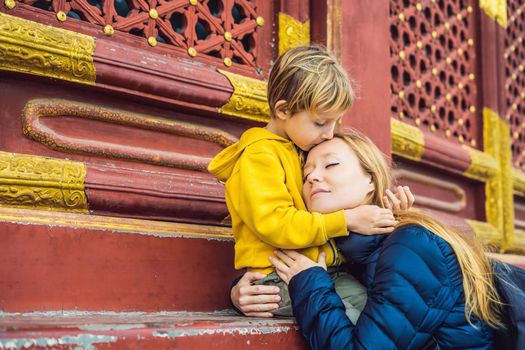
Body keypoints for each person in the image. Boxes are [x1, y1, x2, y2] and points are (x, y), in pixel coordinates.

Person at [208, 46, 399, 318]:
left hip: (325, 271)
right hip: (278, 279)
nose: (330, 133)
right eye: (321, 123)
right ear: (284, 110)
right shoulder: (259, 155)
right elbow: (276, 223)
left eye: (335, 123)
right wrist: (346, 220)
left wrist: (389, 209)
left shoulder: (302, 150)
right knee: (351, 319)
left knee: (380, 312)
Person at [268, 131, 502, 349]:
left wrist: (309, 284)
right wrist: (243, 294)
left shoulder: (411, 246)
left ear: (371, 180)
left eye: (331, 164)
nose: (313, 177)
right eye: (306, 173)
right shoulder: (349, 255)